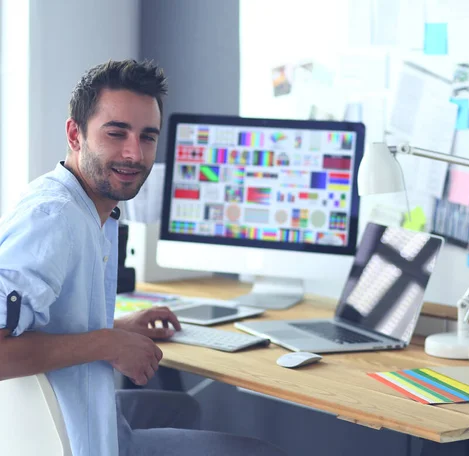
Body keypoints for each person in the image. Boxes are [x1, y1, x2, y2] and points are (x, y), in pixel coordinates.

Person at [0, 59, 286, 456]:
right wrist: (107, 343)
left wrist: (119, 328)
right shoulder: (54, 218)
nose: (134, 154)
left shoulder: (87, 209)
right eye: (116, 133)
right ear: (75, 134)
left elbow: (37, 322)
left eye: (147, 137)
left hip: (79, 420)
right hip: (71, 443)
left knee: (179, 407)